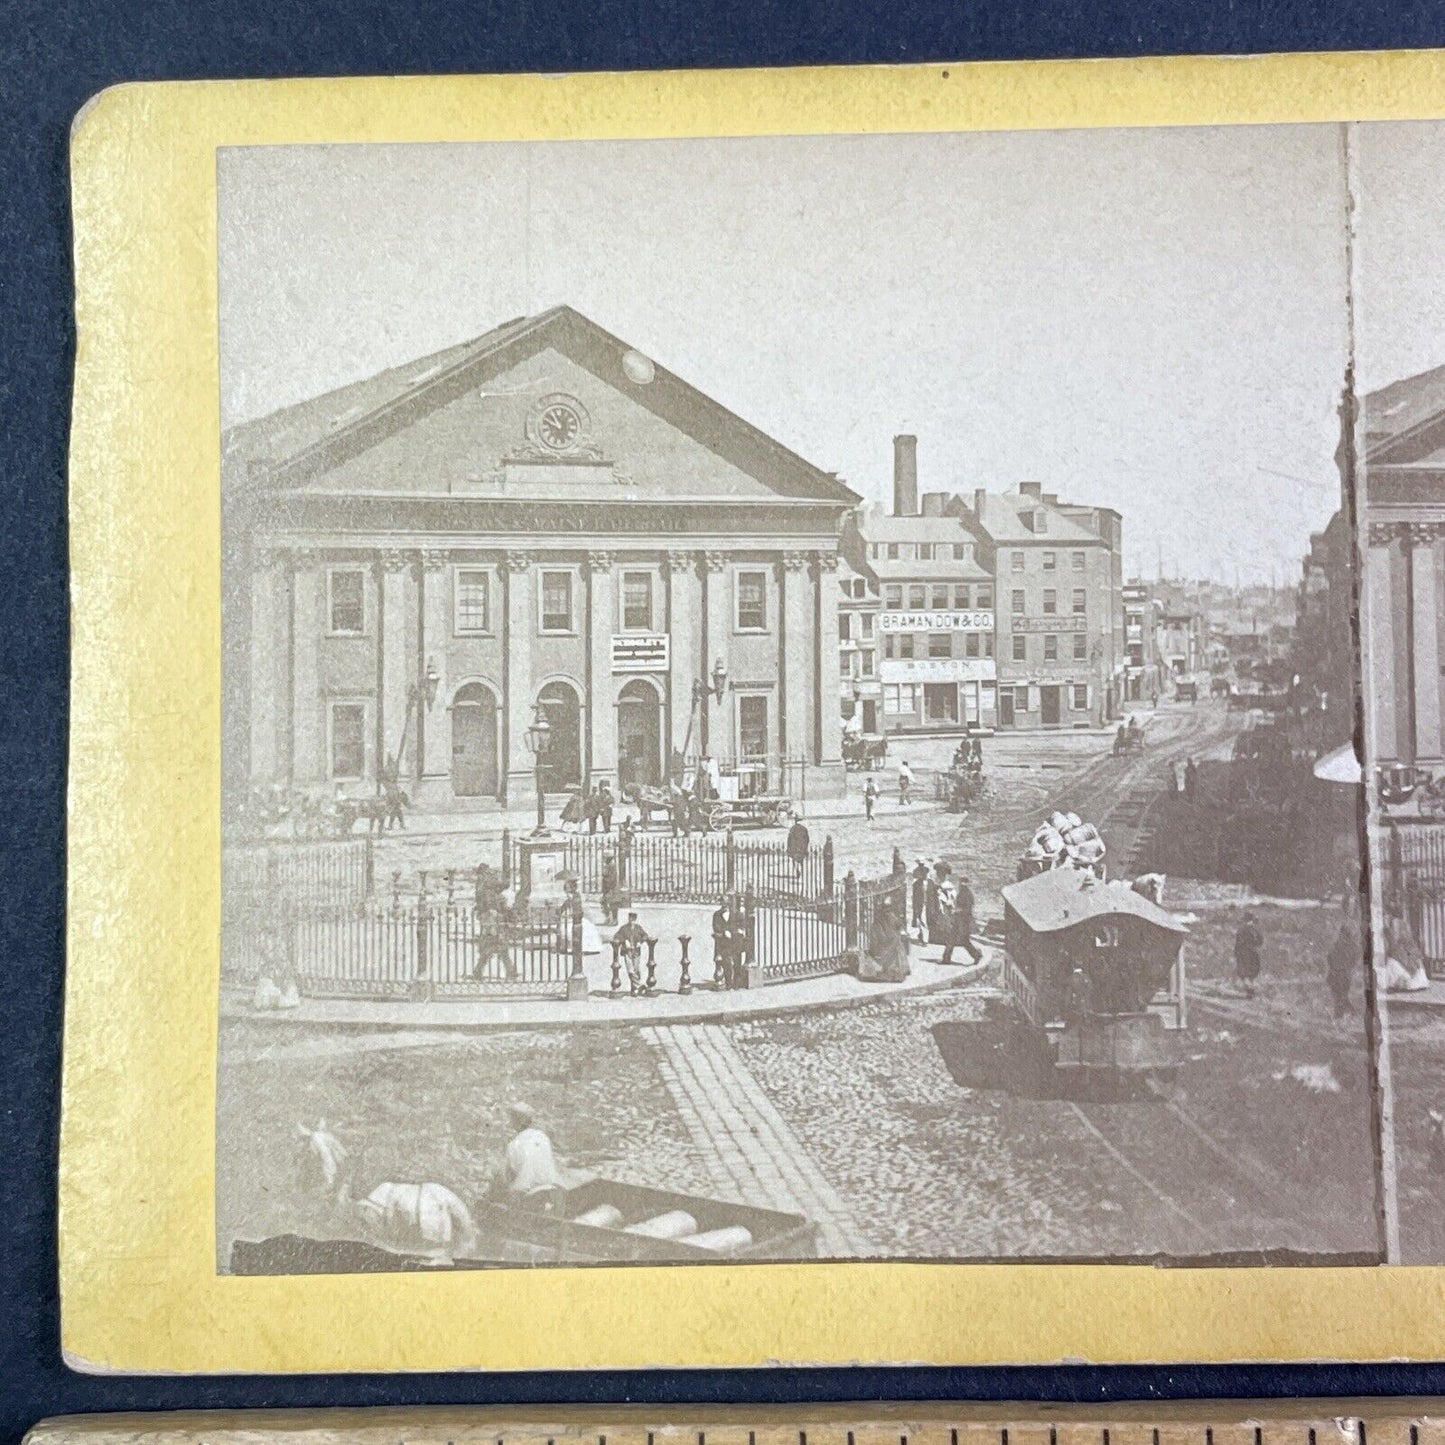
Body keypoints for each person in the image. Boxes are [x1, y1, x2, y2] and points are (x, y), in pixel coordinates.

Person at [492, 1102, 564, 1210]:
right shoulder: (542, 1137)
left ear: (515, 1121)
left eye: (511, 1119)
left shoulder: (513, 1145)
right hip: (551, 1190)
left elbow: (503, 1175)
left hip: (528, 1194)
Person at [1328, 907, 1361, 1019]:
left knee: (1339, 995)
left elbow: (1330, 957)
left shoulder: (1339, 945)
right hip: (1343, 973)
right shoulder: (1350, 946)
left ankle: (1341, 1013)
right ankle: (1347, 1012)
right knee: (1341, 995)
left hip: (1339, 973)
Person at [612, 910, 652, 995]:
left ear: (635, 919)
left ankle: (635, 990)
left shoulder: (638, 928)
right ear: (628, 919)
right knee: (630, 971)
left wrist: (640, 942)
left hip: (636, 952)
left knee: (636, 970)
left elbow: (645, 935)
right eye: (631, 918)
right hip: (627, 952)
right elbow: (617, 936)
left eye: (634, 919)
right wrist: (624, 940)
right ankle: (640, 986)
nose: (632, 920)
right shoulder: (624, 928)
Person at [951, 873, 984, 965]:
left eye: (963, 883)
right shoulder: (963, 893)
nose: (961, 884)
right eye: (960, 882)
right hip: (959, 920)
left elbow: (967, 909)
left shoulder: (967, 894)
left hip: (964, 921)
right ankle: (946, 958)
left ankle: (976, 955)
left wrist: (957, 911)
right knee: (952, 939)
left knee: (964, 940)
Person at [712, 895, 742, 989]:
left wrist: (733, 932)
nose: (724, 905)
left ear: (729, 903)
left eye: (726, 903)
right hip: (724, 943)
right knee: (726, 963)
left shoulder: (736, 914)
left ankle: (736, 984)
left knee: (737, 962)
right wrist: (724, 931)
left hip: (735, 942)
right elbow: (716, 926)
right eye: (722, 903)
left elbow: (740, 926)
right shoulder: (717, 914)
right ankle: (728, 983)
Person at [1232, 911, 1263, 998]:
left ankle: (1250, 990)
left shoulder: (1241, 930)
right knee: (1251, 974)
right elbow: (1260, 942)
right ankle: (1250, 991)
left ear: (1245, 920)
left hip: (1243, 953)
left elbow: (1238, 943)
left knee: (1244, 974)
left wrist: (1236, 953)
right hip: (1254, 953)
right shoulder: (1256, 930)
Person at [600, 849, 623, 925]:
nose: (603, 859)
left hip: (612, 888)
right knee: (604, 903)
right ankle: (608, 918)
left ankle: (615, 920)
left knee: (613, 904)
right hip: (607, 888)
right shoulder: (607, 866)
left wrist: (609, 888)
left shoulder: (612, 866)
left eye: (605, 858)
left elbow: (612, 879)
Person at [911, 860, 929, 940]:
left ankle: (924, 938)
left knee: (922, 920)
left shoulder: (927, 883)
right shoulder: (917, 884)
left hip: (925, 904)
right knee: (921, 920)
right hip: (921, 903)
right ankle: (923, 937)